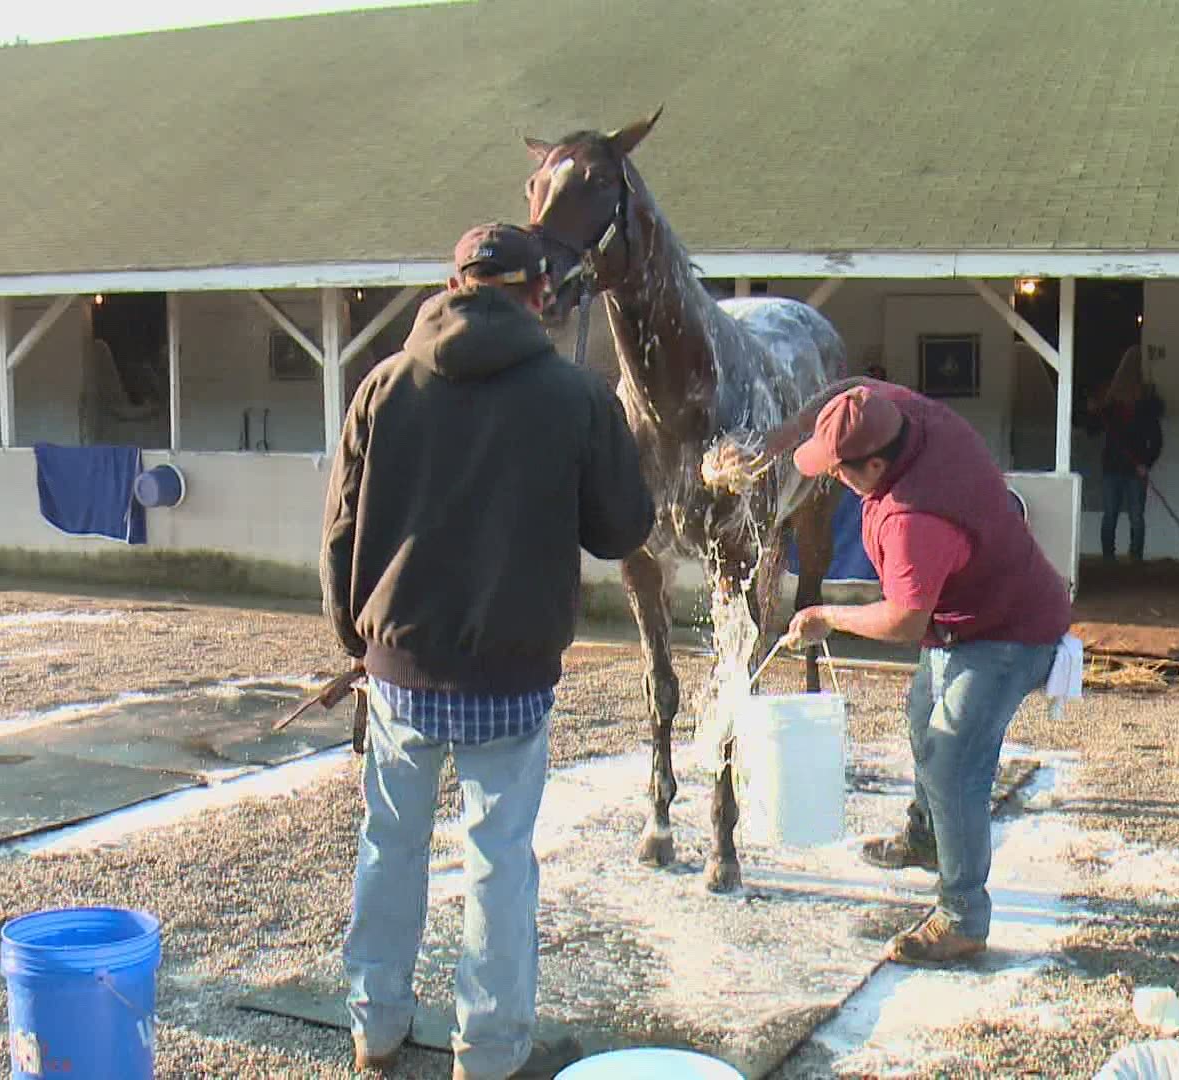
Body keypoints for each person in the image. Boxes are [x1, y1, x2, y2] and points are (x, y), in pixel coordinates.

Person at [323, 223, 655, 1079]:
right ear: (540, 291)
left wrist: (354, 645)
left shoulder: (384, 384)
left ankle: (376, 1028)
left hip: (399, 667)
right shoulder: (575, 395)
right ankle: (492, 1050)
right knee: (498, 863)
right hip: (510, 673)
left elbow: (340, 532)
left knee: (388, 848)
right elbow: (623, 528)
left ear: (454, 282)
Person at [709, 378, 1071, 964]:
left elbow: (904, 621)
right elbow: (844, 388)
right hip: (962, 618)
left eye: (840, 471)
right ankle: (929, 837)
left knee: (953, 760)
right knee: (920, 718)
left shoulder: (914, 517)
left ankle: (962, 918)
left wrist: (828, 615)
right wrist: (769, 447)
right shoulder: (893, 411)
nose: (832, 479)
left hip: (1006, 632)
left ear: (875, 464)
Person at [1083, 363, 1165, 563]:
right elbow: (1091, 431)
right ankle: (1108, 557)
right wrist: (1092, 412)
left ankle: (1136, 556)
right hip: (1112, 470)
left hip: (1135, 472)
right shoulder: (1110, 412)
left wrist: (1146, 464)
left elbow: (1156, 442)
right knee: (1110, 514)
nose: (1129, 393)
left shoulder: (1146, 414)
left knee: (1136, 517)